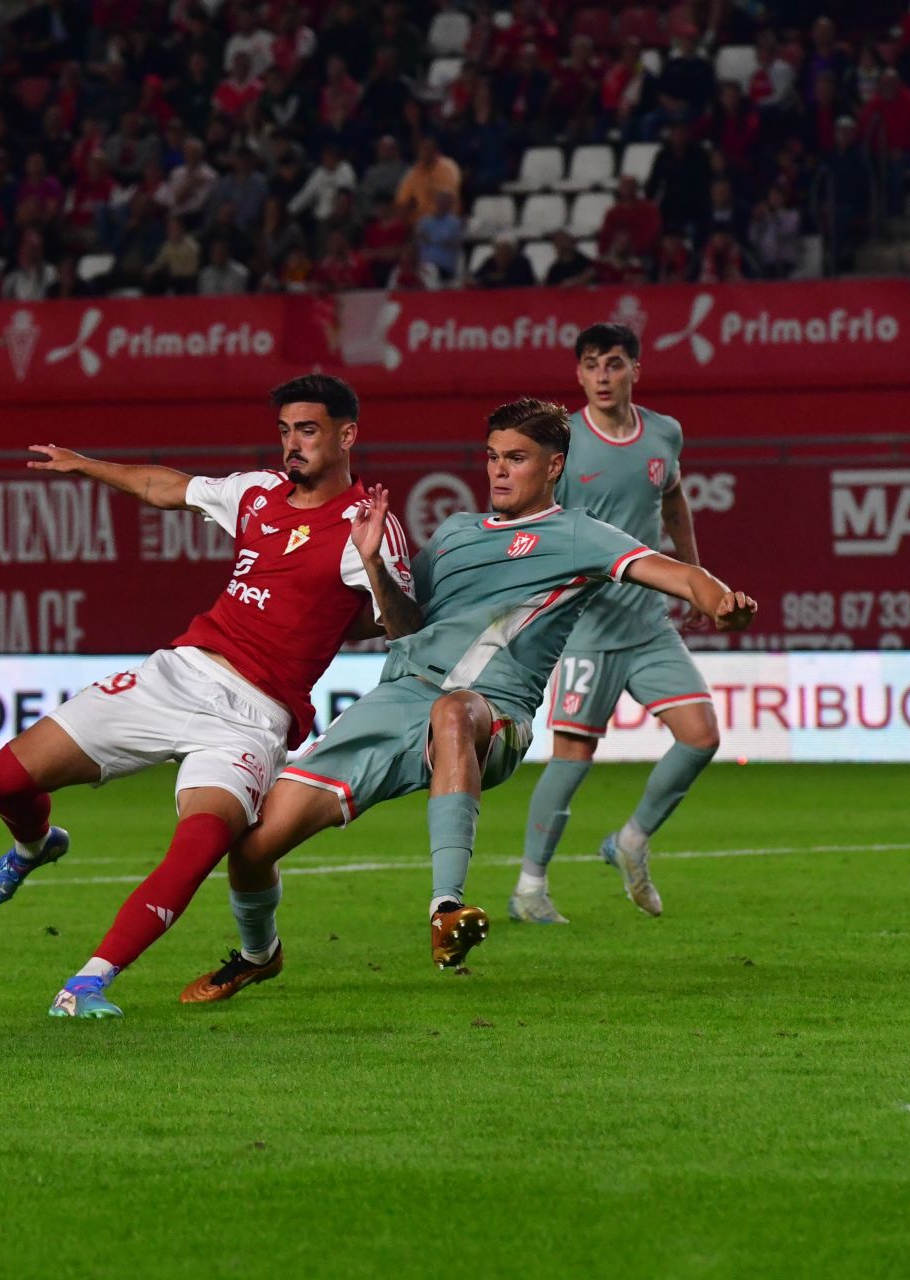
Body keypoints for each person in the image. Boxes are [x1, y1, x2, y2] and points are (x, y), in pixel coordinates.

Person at [179, 398, 756, 1002]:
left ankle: (446, 908)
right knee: (252, 849)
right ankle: (255, 955)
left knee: (453, 712)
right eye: (491, 457)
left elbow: (680, 575)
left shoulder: (580, 535)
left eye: (517, 458)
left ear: (554, 466)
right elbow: (403, 624)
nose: (499, 471)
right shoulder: (456, 533)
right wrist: (373, 562)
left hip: (491, 714)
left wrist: (721, 602)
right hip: (397, 703)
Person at [0, 375, 413, 1019]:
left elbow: (402, 625)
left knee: (202, 841)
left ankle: (88, 982)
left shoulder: (368, 528)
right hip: (176, 675)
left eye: (309, 430)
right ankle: (35, 847)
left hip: (251, 718)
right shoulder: (258, 492)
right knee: (6, 778)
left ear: (347, 435)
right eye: (286, 430)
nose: (293, 444)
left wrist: (374, 564)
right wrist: (83, 465)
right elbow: (166, 487)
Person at [513, 322, 720, 923]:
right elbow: (536, 521)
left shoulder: (664, 433)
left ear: (636, 370)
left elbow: (673, 499)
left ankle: (630, 841)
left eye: (615, 364)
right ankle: (530, 888)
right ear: (577, 374)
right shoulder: (564, 442)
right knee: (572, 756)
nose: (603, 376)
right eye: (592, 365)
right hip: (586, 627)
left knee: (702, 735)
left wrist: (694, 572)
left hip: (649, 622)